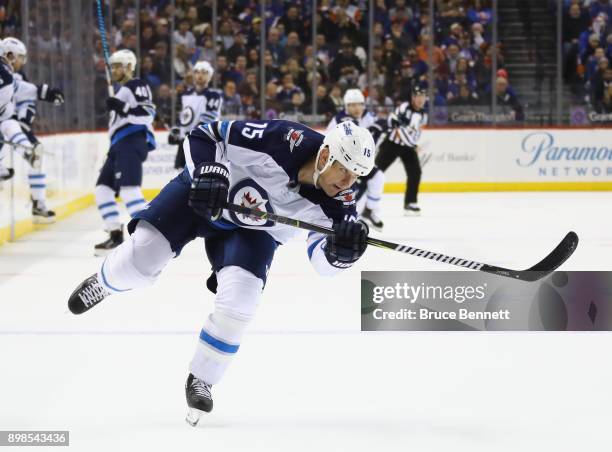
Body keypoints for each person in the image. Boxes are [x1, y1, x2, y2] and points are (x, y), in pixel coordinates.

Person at [67, 119, 374, 426]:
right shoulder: (282, 139)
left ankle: (202, 379)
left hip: (253, 233)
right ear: (324, 157)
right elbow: (206, 134)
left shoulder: (340, 204)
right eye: (344, 169)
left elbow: (322, 263)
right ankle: (106, 282)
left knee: (242, 300)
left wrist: (341, 254)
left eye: (356, 175)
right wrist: (208, 172)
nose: (349, 182)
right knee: (138, 262)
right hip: (203, 199)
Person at [94, 49, 157, 256]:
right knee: (103, 189)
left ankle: (150, 237)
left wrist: (123, 108)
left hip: (131, 141)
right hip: (118, 145)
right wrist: (120, 107)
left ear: (129, 66)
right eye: (112, 66)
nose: (113, 70)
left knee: (129, 190)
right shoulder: (123, 89)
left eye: (117, 66)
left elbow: (148, 113)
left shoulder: (136, 84)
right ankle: (114, 234)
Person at [0, 37, 64, 222]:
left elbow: (25, 92)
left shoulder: (11, 73)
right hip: (8, 120)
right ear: (9, 54)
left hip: (11, 121)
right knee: (13, 131)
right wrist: (46, 93)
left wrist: (45, 93)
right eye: (21, 57)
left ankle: (38, 203)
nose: (22, 61)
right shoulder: (6, 72)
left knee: (35, 158)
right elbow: (24, 92)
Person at [326, 89, 385, 231]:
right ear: (346, 106)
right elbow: (333, 142)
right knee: (352, 194)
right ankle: (343, 221)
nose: (357, 108)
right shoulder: (341, 120)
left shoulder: (368, 116)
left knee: (377, 177)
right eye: (352, 105)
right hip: (342, 163)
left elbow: (379, 126)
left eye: (359, 104)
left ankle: (369, 211)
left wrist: (382, 125)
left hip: (359, 162)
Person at [375, 85, 428, 216]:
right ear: (413, 97)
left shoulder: (423, 114)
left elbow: (417, 132)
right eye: (417, 96)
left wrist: (412, 144)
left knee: (415, 172)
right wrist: (414, 145)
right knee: (375, 172)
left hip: (408, 147)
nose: (420, 99)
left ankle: (410, 203)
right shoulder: (404, 108)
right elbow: (398, 129)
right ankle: (361, 198)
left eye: (423, 97)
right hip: (392, 144)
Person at [169, 61, 222, 169]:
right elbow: (183, 117)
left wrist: (193, 133)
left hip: (202, 142)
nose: (200, 75)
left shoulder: (213, 96)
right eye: (197, 72)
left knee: (198, 175)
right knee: (180, 174)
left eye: (204, 72)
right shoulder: (185, 95)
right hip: (184, 142)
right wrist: (176, 130)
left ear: (210, 76)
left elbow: (208, 119)